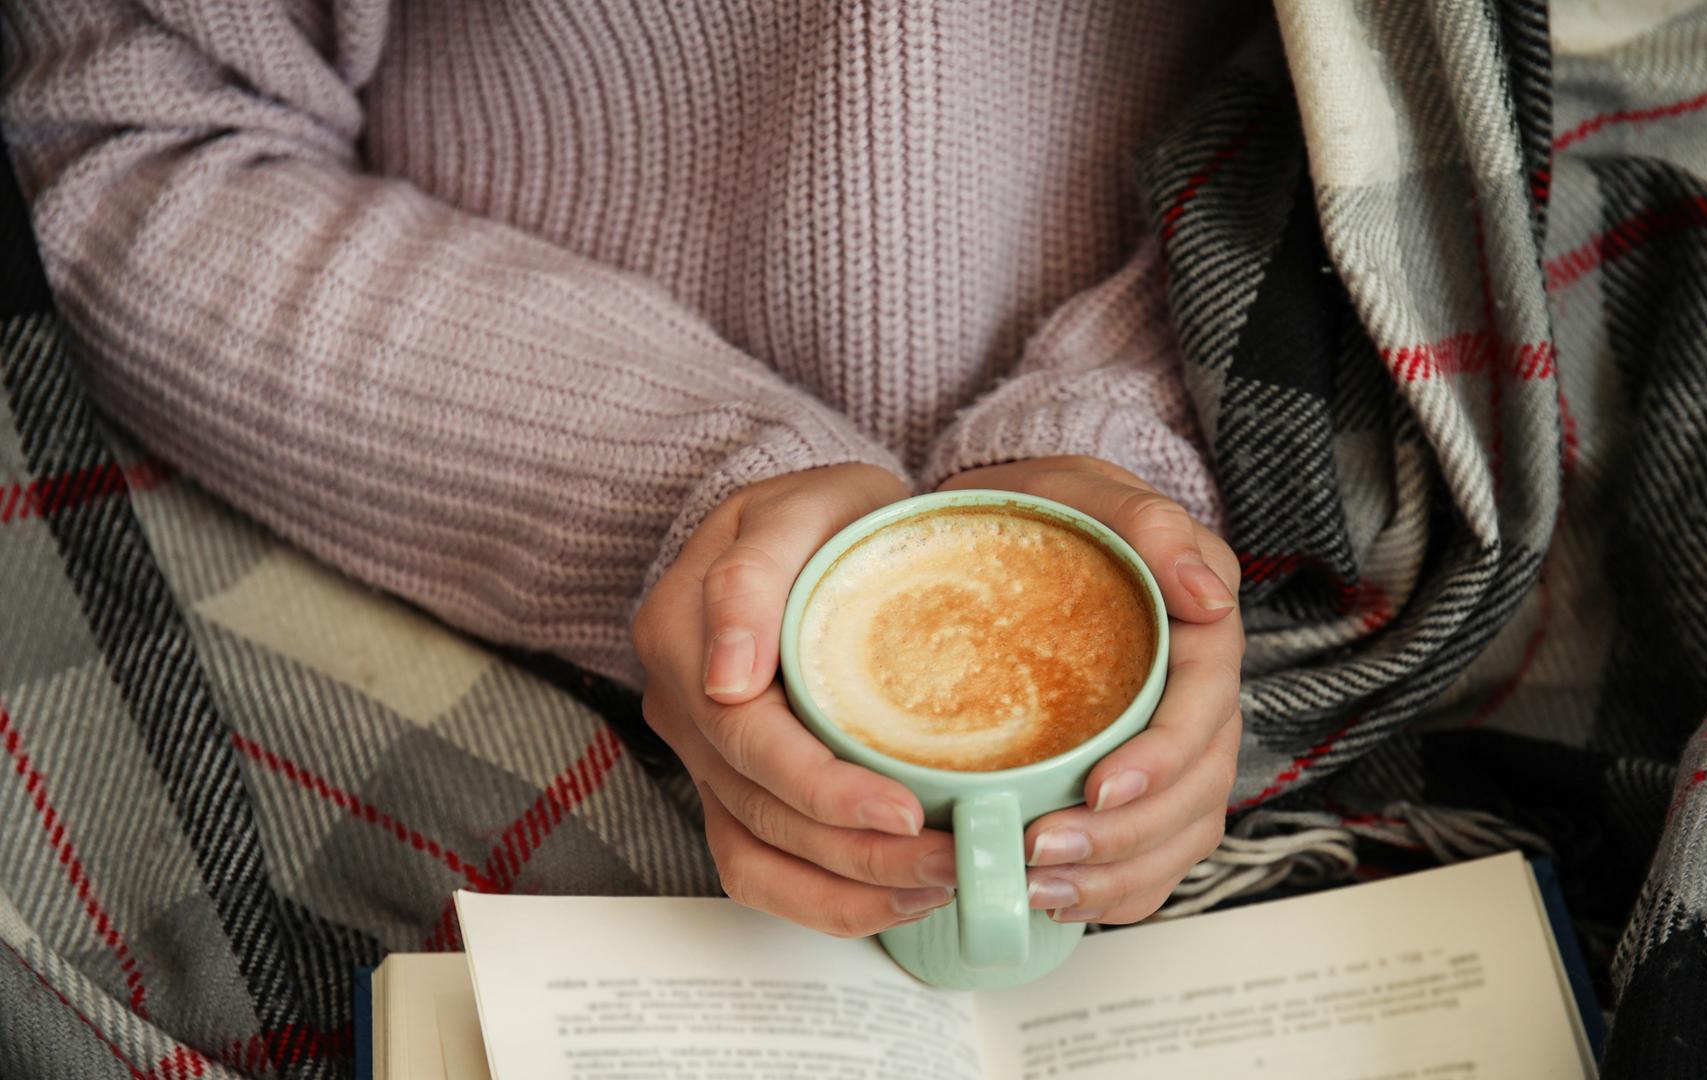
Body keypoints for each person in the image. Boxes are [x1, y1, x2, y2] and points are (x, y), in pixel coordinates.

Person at [0, 1, 1248, 938]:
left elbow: (1333, 122)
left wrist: (1124, 430)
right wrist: (686, 485)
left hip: (1286, 603)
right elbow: (120, 139)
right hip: (415, 575)